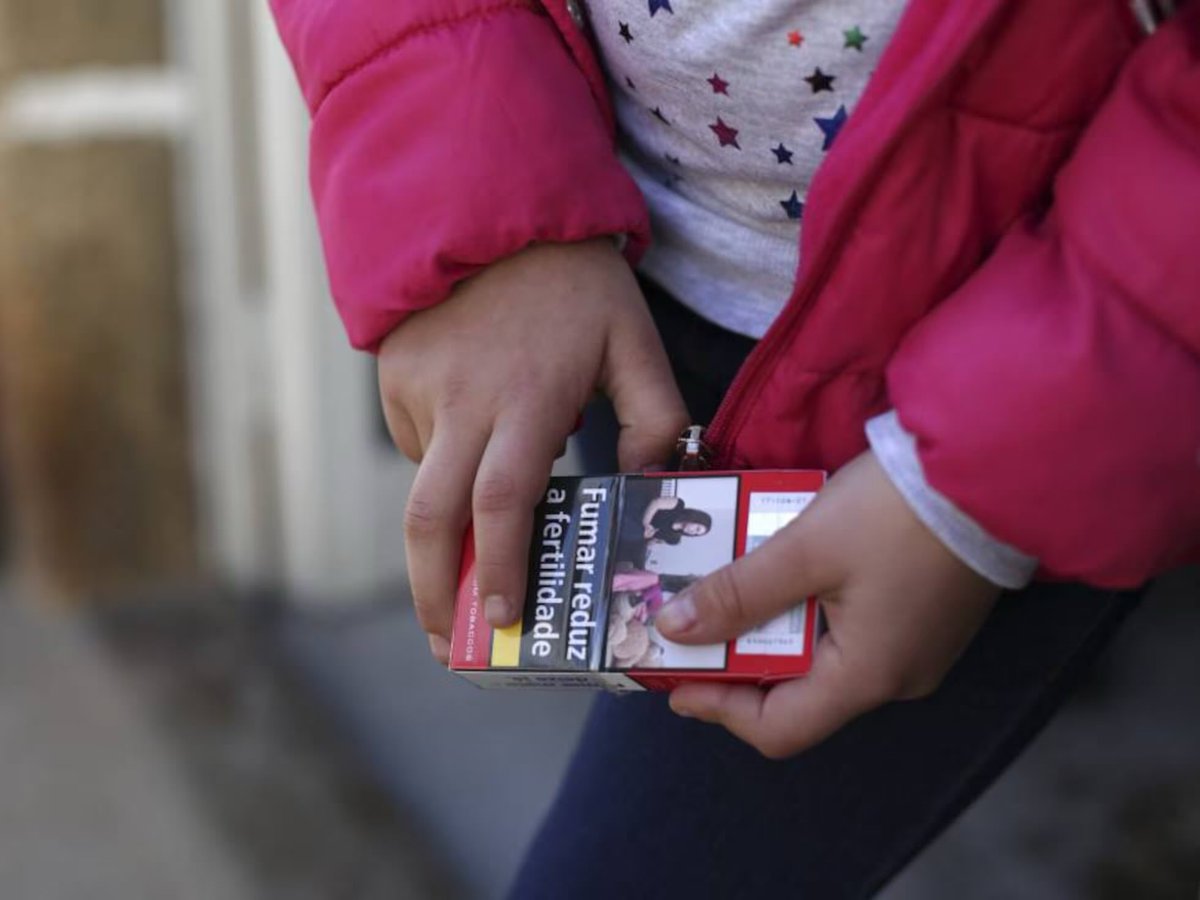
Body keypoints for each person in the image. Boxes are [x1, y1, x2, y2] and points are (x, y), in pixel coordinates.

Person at [269, 1, 1200, 895]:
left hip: (961, 410)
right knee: (658, 682)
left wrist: (983, 480)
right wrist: (468, 189)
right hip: (606, 278)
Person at [640, 496, 711, 544]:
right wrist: (646, 523)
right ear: (696, 519)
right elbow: (656, 503)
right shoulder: (678, 505)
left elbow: (651, 536)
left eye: (696, 534)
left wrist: (649, 536)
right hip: (639, 508)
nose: (693, 532)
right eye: (697, 529)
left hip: (637, 527)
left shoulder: (673, 537)